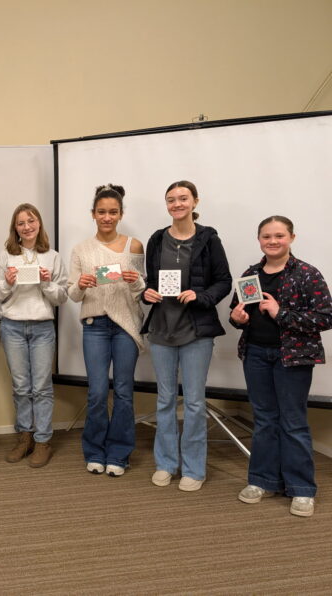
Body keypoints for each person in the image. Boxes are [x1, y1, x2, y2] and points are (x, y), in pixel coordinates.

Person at [230, 216, 332, 517]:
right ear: (259, 240)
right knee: (263, 420)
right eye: (266, 236)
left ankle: (301, 489)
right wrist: (237, 319)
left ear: (291, 238)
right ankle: (263, 480)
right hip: (256, 355)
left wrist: (281, 312)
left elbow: (326, 317)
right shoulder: (250, 275)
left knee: (293, 421)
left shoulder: (307, 274)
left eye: (279, 236)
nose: (272, 241)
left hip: (293, 358)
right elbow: (236, 313)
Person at [142, 180, 231, 491]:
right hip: (161, 331)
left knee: (193, 402)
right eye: (171, 199)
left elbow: (224, 281)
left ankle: (194, 468)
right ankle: (166, 463)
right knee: (165, 400)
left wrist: (201, 297)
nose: (177, 204)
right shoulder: (156, 240)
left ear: (195, 201)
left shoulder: (209, 239)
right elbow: (149, 282)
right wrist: (147, 293)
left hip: (196, 332)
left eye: (183, 198)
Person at [67, 185, 145, 476]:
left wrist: (135, 281)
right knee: (97, 392)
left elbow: (142, 292)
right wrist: (81, 285)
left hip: (125, 326)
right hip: (94, 326)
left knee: (124, 392)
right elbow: (73, 295)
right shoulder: (81, 250)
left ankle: (119, 454)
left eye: (113, 212)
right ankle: (95, 451)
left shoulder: (134, 246)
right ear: (93, 214)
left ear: (121, 214)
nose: (107, 217)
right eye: (102, 212)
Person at [0, 203, 69, 468]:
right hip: (12, 327)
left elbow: (61, 297)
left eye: (31, 221)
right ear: (15, 228)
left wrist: (46, 283)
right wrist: (7, 283)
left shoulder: (53, 256)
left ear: (39, 224)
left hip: (43, 328)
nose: (27, 227)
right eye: (21, 223)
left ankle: (43, 440)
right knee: (21, 387)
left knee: (42, 387)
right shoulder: (5, 256)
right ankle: (25, 437)